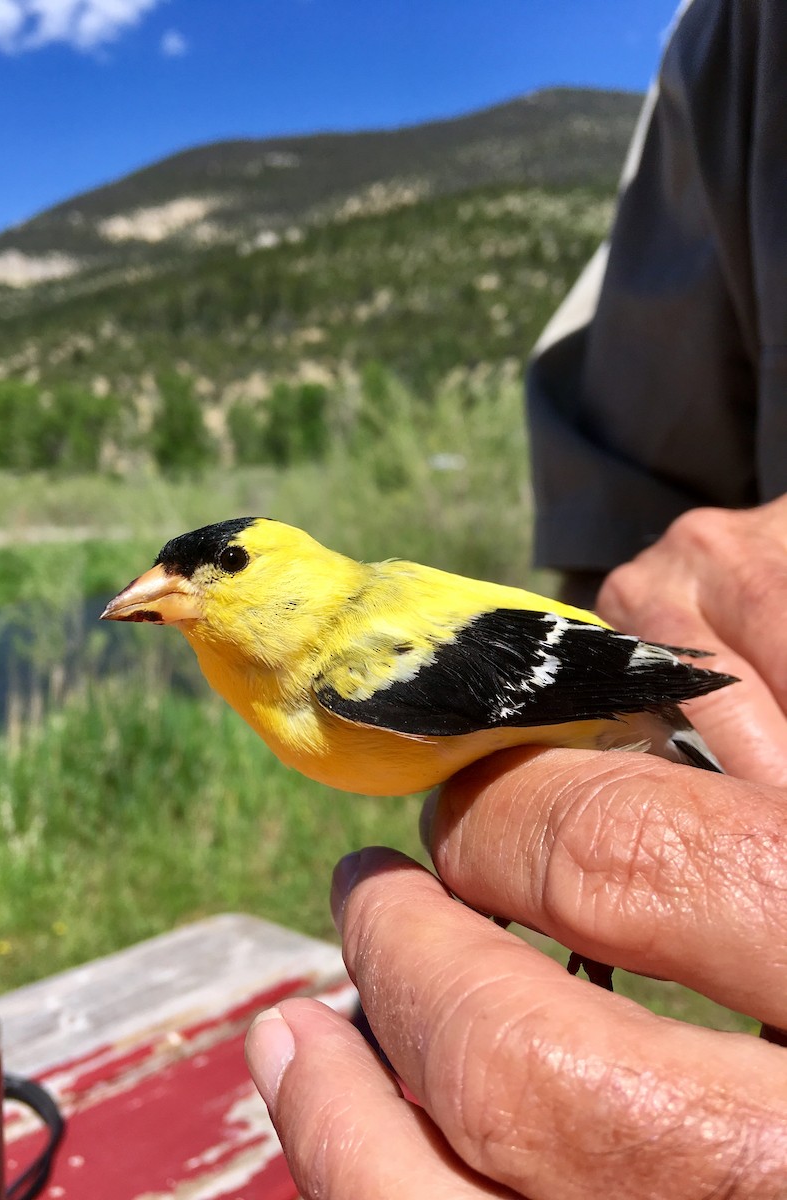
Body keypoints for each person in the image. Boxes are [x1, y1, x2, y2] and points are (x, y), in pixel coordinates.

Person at [245, 1, 787, 1194]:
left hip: (620, 692)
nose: (172, 591)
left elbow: (563, 642)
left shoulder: (355, 655)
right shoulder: (740, 43)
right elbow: (617, 519)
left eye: (216, 567)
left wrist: (653, 687)